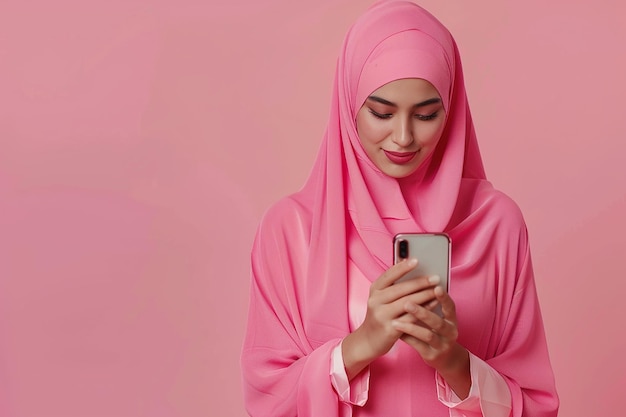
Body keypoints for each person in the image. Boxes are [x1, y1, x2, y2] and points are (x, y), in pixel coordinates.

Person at [240, 1, 559, 416]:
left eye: (426, 114)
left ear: (452, 110)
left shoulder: (495, 223)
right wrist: (363, 344)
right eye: (381, 112)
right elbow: (267, 396)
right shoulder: (292, 229)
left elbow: (535, 403)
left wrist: (452, 361)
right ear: (348, 103)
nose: (404, 137)